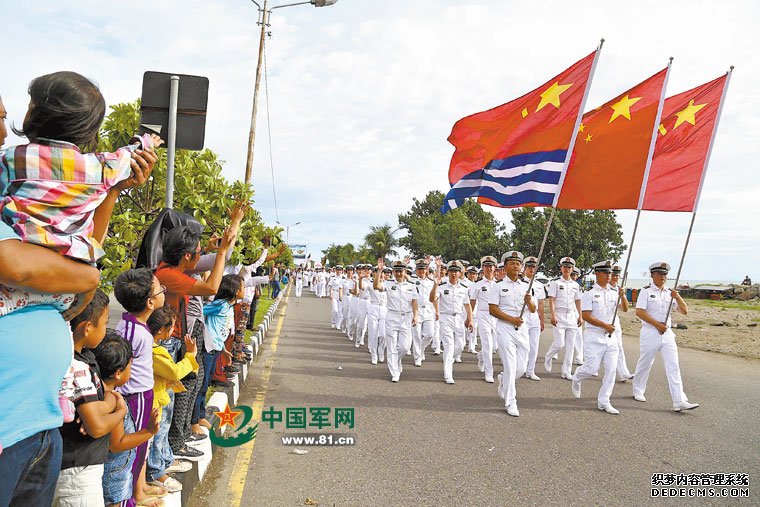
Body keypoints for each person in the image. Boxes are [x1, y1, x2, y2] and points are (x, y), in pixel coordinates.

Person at [0, 93, 156, 507]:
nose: (6, 126)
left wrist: (113, 192)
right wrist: (86, 276)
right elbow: (17, 265)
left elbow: (85, 246)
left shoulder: (13, 172)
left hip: (38, 426)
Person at [0, 72, 163, 318]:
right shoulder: (99, 167)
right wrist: (148, 142)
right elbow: (129, 155)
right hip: (67, 284)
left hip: (13, 288)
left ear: (34, 114)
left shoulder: (12, 159)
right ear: (88, 128)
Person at [54, 291, 126, 506]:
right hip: (77, 476)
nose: (105, 329)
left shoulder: (84, 357)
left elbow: (108, 394)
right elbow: (96, 426)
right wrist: (119, 410)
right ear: (87, 328)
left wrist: (104, 404)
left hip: (76, 469)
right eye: (104, 323)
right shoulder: (77, 367)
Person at [112, 268, 166, 505]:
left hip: (141, 393)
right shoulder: (136, 333)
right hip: (135, 395)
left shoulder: (134, 325)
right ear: (151, 302)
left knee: (144, 443)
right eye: (160, 289)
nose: (164, 291)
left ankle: (140, 485)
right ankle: (136, 493)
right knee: (138, 442)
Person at [93, 333, 162, 507]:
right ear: (118, 373)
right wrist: (149, 431)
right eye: (130, 365)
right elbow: (118, 443)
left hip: (114, 474)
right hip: (114, 478)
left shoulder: (100, 394)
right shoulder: (113, 401)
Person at [632, 262, 699, 412]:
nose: (663, 277)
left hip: (667, 334)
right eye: (660, 274)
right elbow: (640, 312)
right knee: (645, 363)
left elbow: (684, 311)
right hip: (650, 332)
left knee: (673, 366)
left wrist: (678, 297)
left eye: (665, 274)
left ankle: (679, 401)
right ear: (652, 275)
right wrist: (657, 325)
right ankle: (638, 389)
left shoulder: (670, 292)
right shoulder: (646, 292)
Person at [146, 306, 198, 494]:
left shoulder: (155, 347)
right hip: (154, 398)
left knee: (162, 432)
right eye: (171, 328)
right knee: (156, 435)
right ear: (161, 330)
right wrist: (190, 355)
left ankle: (164, 460)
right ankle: (156, 472)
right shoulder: (153, 351)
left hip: (161, 394)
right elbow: (174, 371)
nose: (173, 332)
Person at [570, 261, 623, 415]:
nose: (609, 275)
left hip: (610, 338)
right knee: (591, 368)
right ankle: (577, 377)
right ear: (597, 273)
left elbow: (624, 309)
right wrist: (604, 325)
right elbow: (586, 315)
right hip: (594, 337)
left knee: (611, 370)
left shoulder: (614, 293)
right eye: (605, 272)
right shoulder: (589, 293)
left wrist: (622, 296)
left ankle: (604, 401)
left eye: (610, 273)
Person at [488, 252, 536, 417]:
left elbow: (533, 309)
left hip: (521, 328)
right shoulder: (498, 285)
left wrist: (529, 302)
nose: (516, 266)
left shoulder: (527, 285)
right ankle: (511, 402)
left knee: (521, 368)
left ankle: (503, 380)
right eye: (512, 263)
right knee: (510, 365)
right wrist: (511, 319)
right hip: (505, 328)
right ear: (505, 266)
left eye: (518, 263)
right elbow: (493, 309)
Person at [374, 259, 418, 382]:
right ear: (393, 272)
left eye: (401, 271)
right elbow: (376, 286)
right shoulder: (388, 283)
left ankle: (397, 360)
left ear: (405, 271)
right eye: (396, 271)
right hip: (392, 317)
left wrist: (415, 316)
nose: (399, 273)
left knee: (404, 347)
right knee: (392, 346)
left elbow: (414, 301)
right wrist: (379, 271)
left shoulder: (411, 285)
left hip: (406, 317)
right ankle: (394, 372)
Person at [430, 260, 474, 384]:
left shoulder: (464, 288)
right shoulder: (442, 286)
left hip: (459, 319)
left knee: (460, 345)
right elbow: (432, 299)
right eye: (451, 271)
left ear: (460, 273)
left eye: (456, 271)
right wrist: (435, 285)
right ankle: (448, 374)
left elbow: (467, 305)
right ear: (448, 272)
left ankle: (448, 358)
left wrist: (470, 320)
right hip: (445, 318)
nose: (453, 274)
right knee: (449, 346)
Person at [544, 257, 583, 380]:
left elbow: (578, 300)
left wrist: (580, 315)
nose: (567, 269)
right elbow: (551, 300)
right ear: (561, 268)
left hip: (572, 316)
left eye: (569, 267)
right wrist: (553, 315)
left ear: (572, 269)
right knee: (560, 343)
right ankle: (548, 356)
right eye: (565, 267)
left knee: (570, 346)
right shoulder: (555, 283)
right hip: (559, 315)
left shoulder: (576, 285)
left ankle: (566, 371)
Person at [469, 256, 499, 383]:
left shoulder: (499, 284)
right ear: (483, 268)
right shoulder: (477, 285)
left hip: (496, 316)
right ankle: (489, 372)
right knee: (487, 344)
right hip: (483, 315)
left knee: (495, 347)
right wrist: (469, 318)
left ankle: (480, 356)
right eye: (486, 266)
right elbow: (472, 303)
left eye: (491, 266)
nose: (489, 268)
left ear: (495, 268)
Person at [522, 256, 545, 381]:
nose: (532, 269)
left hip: (534, 317)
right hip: (524, 316)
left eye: (534, 267)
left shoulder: (539, 285)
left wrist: (541, 319)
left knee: (534, 345)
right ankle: (521, 367)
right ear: (524, 268)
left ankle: (530, 370)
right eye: (529, 266)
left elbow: (540, 304)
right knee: (524, 345)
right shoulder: (520, 283)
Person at [611, 264, 634, 382]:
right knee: (599, 352)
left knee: (619, 347)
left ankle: (624, 373)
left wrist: (623, 296)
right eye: (613, 275)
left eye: (617, 275)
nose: (615, 277)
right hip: (600, 324)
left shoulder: (618, 290)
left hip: (615, 323)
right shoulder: (598, 288)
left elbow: (624, 309)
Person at [411, 259, 435, 367]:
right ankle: (417, 357)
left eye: (423, 269)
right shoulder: (411, 280)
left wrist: (437, 311)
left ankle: (421, 349)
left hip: (429, 310)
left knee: (430, 334)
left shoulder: (431, 282)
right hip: (416, 309)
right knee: (416, 334)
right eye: (419, 269)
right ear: (416, 270)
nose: (421, 271)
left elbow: (435, 298)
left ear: (427, 270)